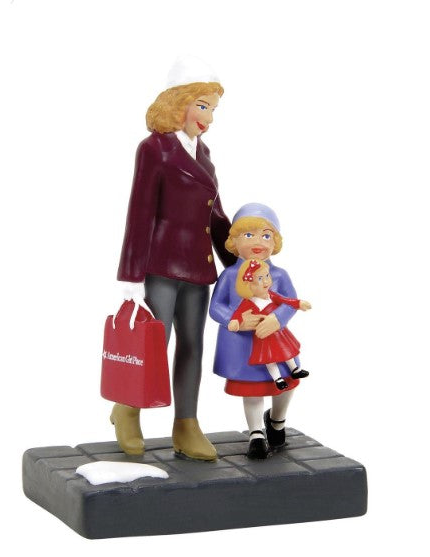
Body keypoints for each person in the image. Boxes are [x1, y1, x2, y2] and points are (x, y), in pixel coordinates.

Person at [112, 56, 237, 461]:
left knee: (192, 346)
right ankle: (128, 408)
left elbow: (215, 214)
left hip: (199, 268)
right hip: (161, 266)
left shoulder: (204, 153)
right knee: (153, 343)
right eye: (202, 106)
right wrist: (131, 275)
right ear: (178, 102)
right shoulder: (154, 149)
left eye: (213, 108)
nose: (209, 118)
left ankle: (186, 422)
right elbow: (140, 213)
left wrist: (237, 262)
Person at [209, 203, 304, 459]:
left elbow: (290, 302)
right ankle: (256, 433)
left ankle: (277, 420)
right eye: (248, 235)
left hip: (274, 339)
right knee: (251, 387)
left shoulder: (279, 275)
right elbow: (216, 306)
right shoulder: (230, 276)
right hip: (243, 344)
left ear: (276, 241)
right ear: (234, 241)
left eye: (266, 235)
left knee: (287, 381)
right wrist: (235, 320)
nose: (258, 242)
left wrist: (277, 319)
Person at [228, 258, 311, 391]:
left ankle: (295, 369)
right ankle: (277, 379)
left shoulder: (271, 295)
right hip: (263, 335)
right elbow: (238, 313)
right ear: (249, 285)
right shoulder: (248, 302)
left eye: (267, 276)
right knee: (270, 359)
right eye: (260, 279)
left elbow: (285, 300)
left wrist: (298, 303)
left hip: (278, 332)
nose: (266, 281)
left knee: (287, 350)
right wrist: (235, 321)